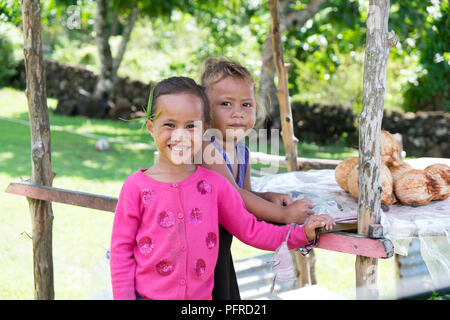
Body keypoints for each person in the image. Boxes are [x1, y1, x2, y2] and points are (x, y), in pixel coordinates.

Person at [110, 76, 334, 300]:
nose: (180, 135)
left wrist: (301, 233)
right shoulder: (135, 187)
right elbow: (121, 254)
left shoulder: (215, 186)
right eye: (169, 125)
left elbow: (252, 230)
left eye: (191, 126)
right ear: (151, 127)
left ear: (205, 128)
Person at [199, 57, 317, 300]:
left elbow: (245, 194)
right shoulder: (206, 148)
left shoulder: (241, 151)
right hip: (198, 250)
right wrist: (285, 215)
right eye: (226, 104)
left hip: (220, 246)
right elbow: (234, 196)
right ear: (205, 111)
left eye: (246, 105)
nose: (238, 113)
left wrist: (267, 198)